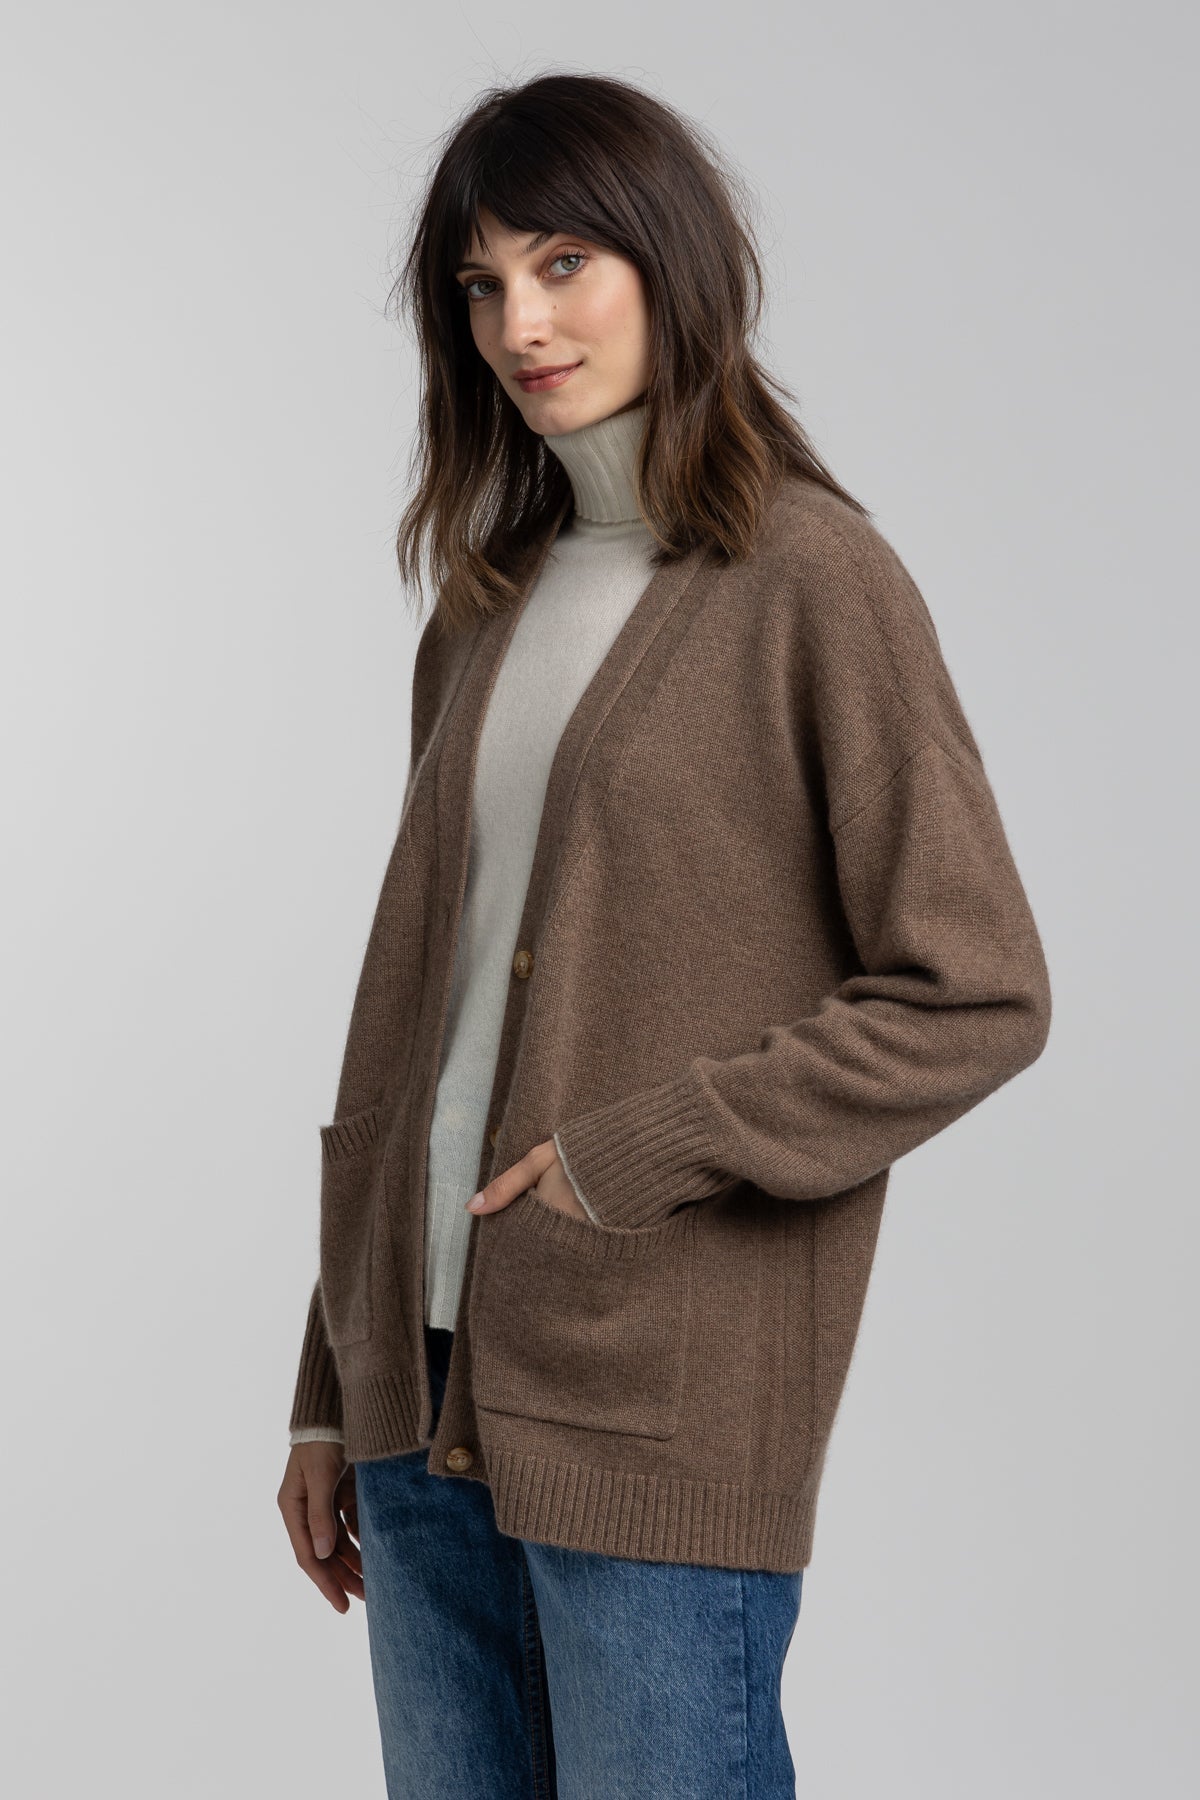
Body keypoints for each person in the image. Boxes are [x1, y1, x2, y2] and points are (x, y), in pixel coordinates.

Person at [277, 71, 1052, 1799]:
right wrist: (330, 1383)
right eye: (482, 284)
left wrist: (634, 1153)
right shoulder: (484, 608)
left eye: (565, 263)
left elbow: (979, 991)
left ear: (671, 260)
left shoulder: (813, 581)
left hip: (653, 1399)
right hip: (418, 1399)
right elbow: (423, 1025)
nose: (522, 324)